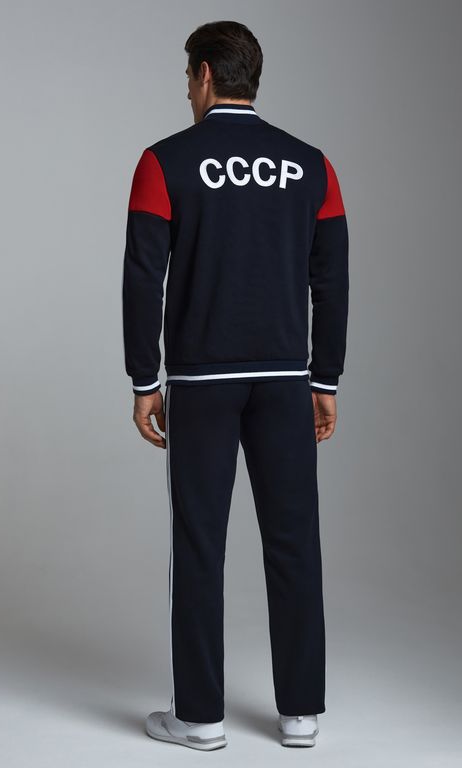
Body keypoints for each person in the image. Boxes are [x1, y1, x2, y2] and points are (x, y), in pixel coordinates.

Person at [121, 19, 349, 750]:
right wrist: (325, 378)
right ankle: (301, 715)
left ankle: (200, 719)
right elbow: (332, 279)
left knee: (199, 543)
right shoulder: (312, 166)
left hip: (202, 380)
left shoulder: (163, 162)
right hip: (285, 379)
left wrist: (144, 379)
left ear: (205, 76)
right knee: (294, 540)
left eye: (187, 79)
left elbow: (142, 278)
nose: (186, 94)